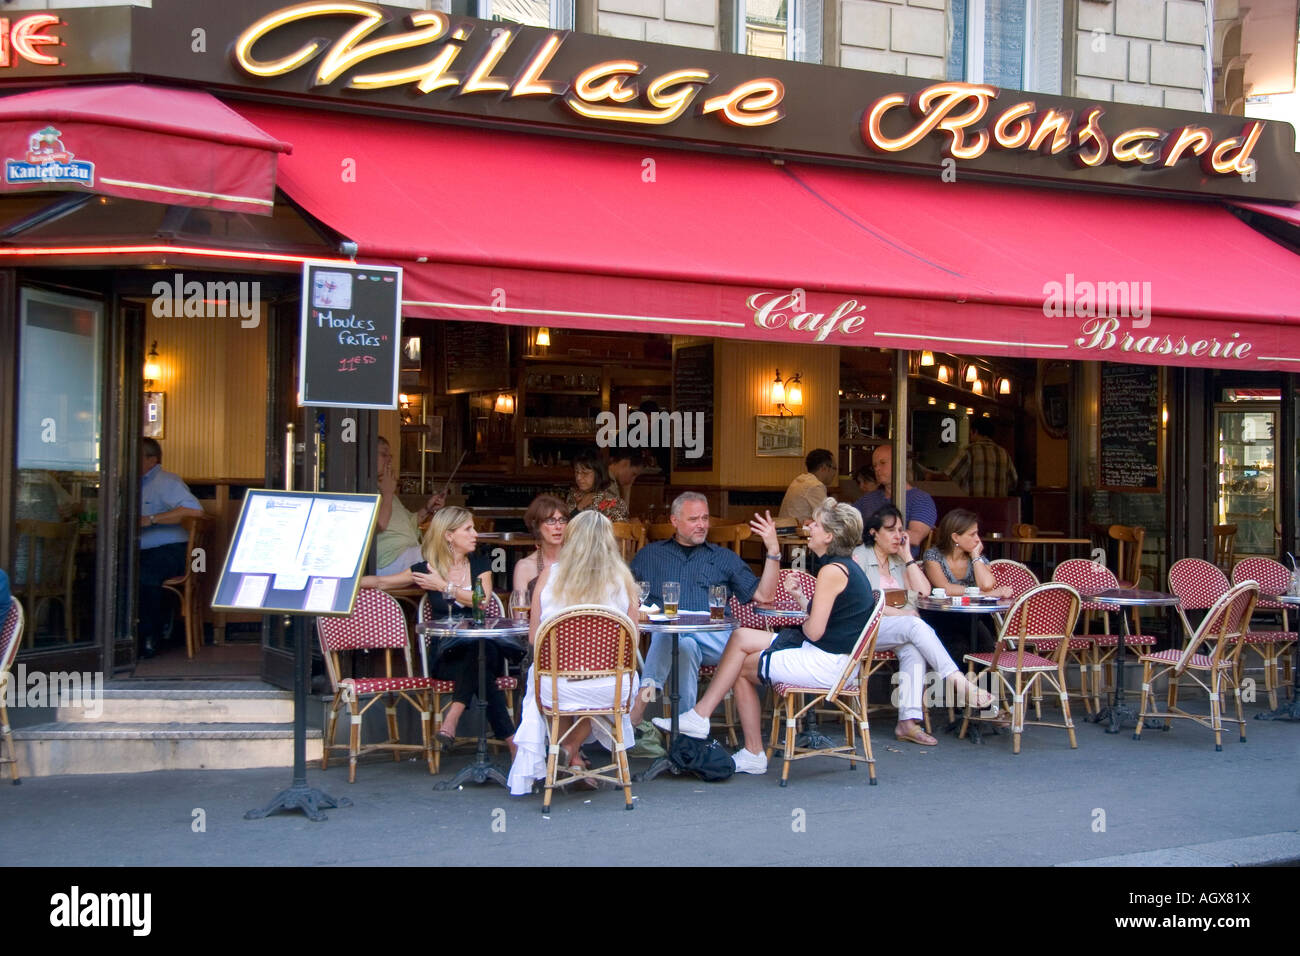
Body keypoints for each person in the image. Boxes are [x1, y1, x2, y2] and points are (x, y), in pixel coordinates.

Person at [656, 499, 874, 773]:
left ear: (829, 536)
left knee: (742, 668)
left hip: (826, 662)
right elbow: (831, 619)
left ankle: (749, 749)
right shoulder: (843, 566)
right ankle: (703, 719)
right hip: (835, 657)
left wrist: (803, 620)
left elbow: (815, 630)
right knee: (741, 637)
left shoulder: (831, 570)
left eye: (816, 524)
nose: (810, 528)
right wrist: (801, 599)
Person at [507, 511, 641, 796]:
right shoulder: (624, 580)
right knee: (614, 683)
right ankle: (571, 751)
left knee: (555, 676)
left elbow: (534, 638)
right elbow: (632, 642)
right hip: (609, 688)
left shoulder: (548, 575)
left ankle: (566, 750)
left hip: (556, 686)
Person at [360, 506, 515, 751]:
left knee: (480, 651)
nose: (476, 534)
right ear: (448, 535)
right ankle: (511, 742)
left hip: (483, 648)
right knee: (480, 665)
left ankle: (451, 719)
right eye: (468, 529)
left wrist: (444, 586)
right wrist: (346, 582)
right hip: (447, 654)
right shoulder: (427, 568)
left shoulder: (479, 563)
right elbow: (382, 581)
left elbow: (482, 601)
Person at [627, 493, 781, 731]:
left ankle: (639, 706)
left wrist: (773, 551)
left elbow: (765, 596)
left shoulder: (723, 558)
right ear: (675, 521)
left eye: (705, 518)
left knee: (672, 633)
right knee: (682, 643)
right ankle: (684, 733)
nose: (702, 525)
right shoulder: (650, 555)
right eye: (693, 519)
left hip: (718, 643)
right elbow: (624, 594)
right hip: (674, 641)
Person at [852, 505, 996, 745]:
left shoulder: (900, 559)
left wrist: (908, 557)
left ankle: (907, 723)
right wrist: (900, 615)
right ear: (874, 532)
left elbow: (925, 591)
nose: (898, 535)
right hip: (868, 627)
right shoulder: (859, 556)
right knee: (914, 626)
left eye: (901, 530)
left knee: (914, 647)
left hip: (899, 629)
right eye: (891, 530)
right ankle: (959, 682)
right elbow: (862, 603)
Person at [138, 438, 204, 658]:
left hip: (172, 550)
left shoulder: (166, 481)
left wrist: (153, 519)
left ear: (151, 459)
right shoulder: (132, 483)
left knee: (144, 573)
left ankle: (149, 636)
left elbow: (196, 511)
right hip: (140, 551)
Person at [375, 436, 444, 576]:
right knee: (445, 550)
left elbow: (410, 522)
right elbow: (378, 526)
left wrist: (428, 509)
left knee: (452, 548)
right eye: (383, 454)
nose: (389, 460)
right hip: (388, 561)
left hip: (407, 555)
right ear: (368, 456)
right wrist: (387, 493)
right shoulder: (363, 489)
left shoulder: (389, 493)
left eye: (390, 456)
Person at [852, 443, 937, 558]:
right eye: (874, 465)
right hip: (866, 559)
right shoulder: (868, 499)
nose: (877, 468)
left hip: (901, 564)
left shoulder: (921, 499)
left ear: (899, 463)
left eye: (882, 463)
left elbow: (916, 537)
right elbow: (847, 522)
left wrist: (877, 534)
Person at [922, 508, 1012, 598]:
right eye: (972, 534)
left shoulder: (978, 558)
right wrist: (986, 594)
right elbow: (945, 588)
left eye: (977, 534)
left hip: (974, 611)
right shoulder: (933, 555)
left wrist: (976, 557)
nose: (977, 539)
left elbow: (987, 585)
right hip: (941, 610)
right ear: (955, 537)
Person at [512, 494, 567, 602]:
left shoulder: (576, 561)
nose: (558, 526)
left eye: (562, 520)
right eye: (551, 521)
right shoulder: (524, 566)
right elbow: (520, 614)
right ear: (536, 526)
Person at [945, 418, 1019, 497]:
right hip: (999, 507)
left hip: (975, 506)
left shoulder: (969, 451)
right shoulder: (1003, 453)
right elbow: (1013, 482)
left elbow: (950, 476)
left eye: (970, 433)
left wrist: (932, 476)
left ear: (975, 431)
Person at [563, 448, 628, 521]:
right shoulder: (573, 495)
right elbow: (564, 526)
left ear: (598, 474)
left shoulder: (614, 502)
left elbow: (620, 530)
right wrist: (579, 508)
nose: (578, 478)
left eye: (585, 473)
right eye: (577, 472)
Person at [778, 448, 837, 525]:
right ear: (824, 468)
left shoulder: (799, 480)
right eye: (834, 468)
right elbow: (829, 516)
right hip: (794, 534)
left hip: (784, 532)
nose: (835, 473)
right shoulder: (814, 486)